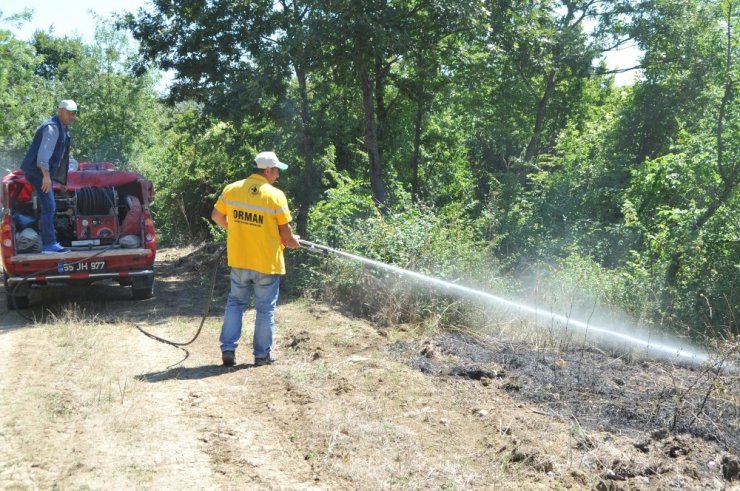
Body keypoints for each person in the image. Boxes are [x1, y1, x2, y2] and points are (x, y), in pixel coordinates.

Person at [211, 151, 301, 367]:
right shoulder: (275, 195)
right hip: (266, 263)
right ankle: (261, 356)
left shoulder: (232, 189)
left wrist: (236, 230)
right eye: (276, 171)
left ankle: (228, 349)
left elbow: (216, 216)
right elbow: (286, 234)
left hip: (239, 259)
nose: (278, 175)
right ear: (267, 170)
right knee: (265, 309)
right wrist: (292, 241)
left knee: (235, 302)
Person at [20, 99, 78, 253]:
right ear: (60, 111)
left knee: (48, 207)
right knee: (49, 207)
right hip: (37, 172)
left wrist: (62, 181)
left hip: (42, 172)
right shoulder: (52, 128)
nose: (72, 116)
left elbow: (60, 159)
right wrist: (46, 177)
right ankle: (49, 244)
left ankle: (49, 242)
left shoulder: (63, 129)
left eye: (74, 113)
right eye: (69, 113)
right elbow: (43, 157)